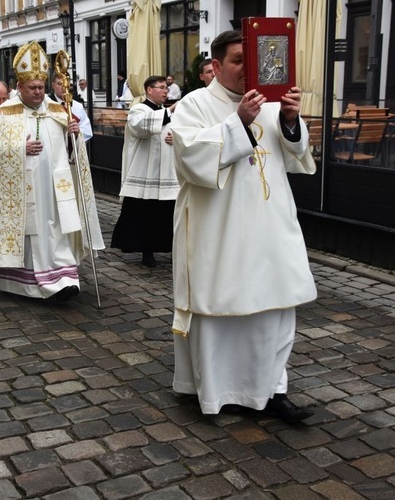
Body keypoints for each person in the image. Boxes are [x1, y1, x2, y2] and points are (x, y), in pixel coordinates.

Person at [170, 30, 317, 423]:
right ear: (216, 66)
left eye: (253, 61)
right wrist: (237, 122)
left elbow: (296, 156)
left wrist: (289, 121)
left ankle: (272, 390)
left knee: (274, 308)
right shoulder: (193, 104)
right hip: (219, 230)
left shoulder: (271, 104)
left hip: (271, 228)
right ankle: (220, 393)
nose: (248, 70)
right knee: (223, 308)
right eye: (238, 61)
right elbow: (190, 159)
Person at [0, 41, 104, 301]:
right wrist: (19, 148)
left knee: (56, 228)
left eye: (41, 87)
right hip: (21, 191)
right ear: (19, 87)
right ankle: (27, 282)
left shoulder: (59, 111)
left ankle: (63, 279)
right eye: (32, 88)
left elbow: (71, 154)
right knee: (31, 232)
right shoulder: (3, 114)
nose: (38, 92)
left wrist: (72, 136)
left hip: (55, 189)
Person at [111, 76, 178, 267]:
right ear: (149, 89)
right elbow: (141, 128)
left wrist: (177, 137)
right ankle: (146, 252)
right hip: (145, 172)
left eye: (167, 88)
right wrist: (169, 111)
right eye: (162, 88)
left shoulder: (169, 112)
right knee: (145, 214)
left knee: (168, 213)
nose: (166, 91)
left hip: (167, 172)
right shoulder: (138, 109)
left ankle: (173, 249)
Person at [49, 74, 92, 141]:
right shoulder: (47, 104)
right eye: (59, 84)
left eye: (66, 84)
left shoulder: (77, 106)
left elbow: (87, 131)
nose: (63, 87)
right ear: (53, 85)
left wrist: (78, 132)